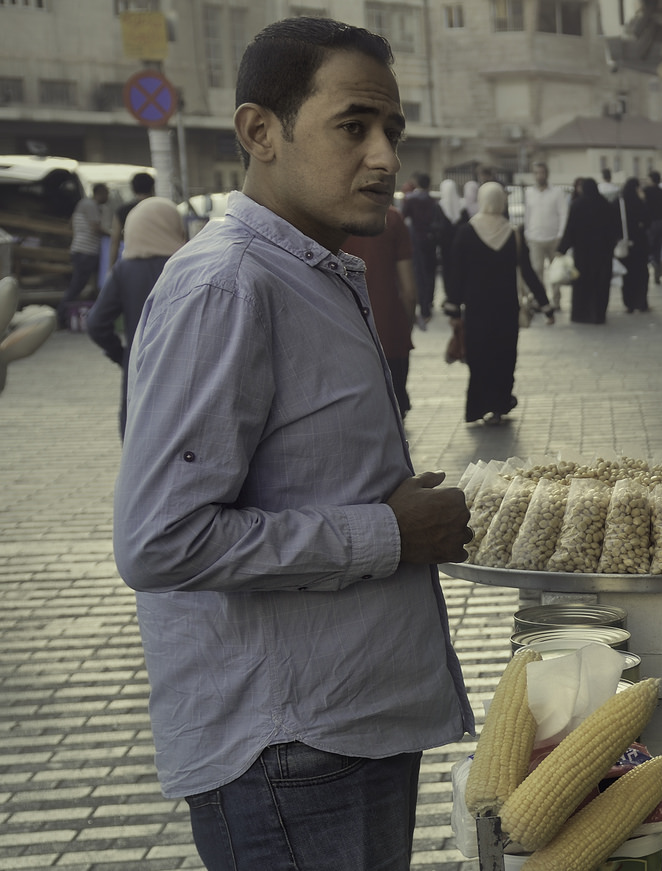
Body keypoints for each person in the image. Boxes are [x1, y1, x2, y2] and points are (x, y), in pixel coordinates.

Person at [110, 18, 473, 869]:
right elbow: (161, 538)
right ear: (258, 132)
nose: (384, 156)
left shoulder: (309, 269)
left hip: (340, 730)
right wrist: (388, 533)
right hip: (291, 754)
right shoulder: (228, 284)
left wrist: (389, 503)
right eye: (354, 127)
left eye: (393, 131)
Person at [443, 182, 552, 425]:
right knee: (504, 356)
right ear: (501, 201)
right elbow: (528, 272)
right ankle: (499, 405)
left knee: (480, 357)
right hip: (506, 308)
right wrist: (545, 305)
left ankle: (478, 407)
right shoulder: (512, 233)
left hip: (476, 309)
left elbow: (456, 275)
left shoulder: (466, 232)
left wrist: (453, 308)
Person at [86, 197, 186, 438]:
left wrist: (120, 355)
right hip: (185, 370)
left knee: (137, 437)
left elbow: (96, 323)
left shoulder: (124, 270)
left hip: (139, 366)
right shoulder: (189, 266)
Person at [341, 204, 417, 416]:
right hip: (390, 329)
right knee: (395, 409)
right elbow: (409, 291)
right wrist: (405, 327)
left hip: (346, 332)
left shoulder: (330, 219)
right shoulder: (391, 219)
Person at [562, 177, 620, 324]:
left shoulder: (577, 205)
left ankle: (581, 314)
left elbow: (570, 229)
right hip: (603, 254)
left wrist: (562, 248)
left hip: (582, 255)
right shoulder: (606, 205)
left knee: (582, 284)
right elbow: (614, 231)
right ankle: (599, 315)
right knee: (601, 285)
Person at [400, 172, 449, 328]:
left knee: (419, 273)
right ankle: (429, 301)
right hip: (431, 240)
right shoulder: (433, 201)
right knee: (430, 271)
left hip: (416, 240)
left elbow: (403, 217)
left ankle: (423, 306)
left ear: (417, 183)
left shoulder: (411, 200)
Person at [523, 161, 572, 311]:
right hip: (535, 238)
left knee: (555, 272)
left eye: (542, 173)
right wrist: (527, 232)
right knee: (537, 270)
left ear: (547, 174)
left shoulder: (556, 192)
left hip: (553, 239)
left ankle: (556, 301)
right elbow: (527, 214)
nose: (539, 176)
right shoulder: (529, 193)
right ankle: (540, 301)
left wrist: (560, 235)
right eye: (537, 173)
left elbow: (563, 213)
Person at [66, 182, 110, 308]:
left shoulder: (83, 204)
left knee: (81, 285)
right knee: (77, 286)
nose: (108, 198)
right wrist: (113, 234)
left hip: (80, 249)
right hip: (86, 251)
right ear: (99, 193)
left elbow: (70, 224)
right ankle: (63, 314)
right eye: (106, 194)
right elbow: (95, 228)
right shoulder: (90, 205)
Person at [619, 177, 653, 313]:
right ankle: (641, 302)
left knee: (627, 276)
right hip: (640, 245)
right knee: (641, 275)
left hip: (625, 245)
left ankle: (629, 304)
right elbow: (648, 221)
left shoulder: (619, 203)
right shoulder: (640, 203)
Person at [108, 171, 160, 257]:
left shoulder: (122, 210)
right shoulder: (161, 208)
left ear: (133, 189)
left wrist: (111, 267)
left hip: (134, 257)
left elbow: (115, 241)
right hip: (159, 257)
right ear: (153, 187)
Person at [643, 170, 662, 283]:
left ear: (651, 179)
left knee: (649, 247)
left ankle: (652, 263)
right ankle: (658, 274)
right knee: (659, 248)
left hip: (649, 223)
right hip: (661, 222)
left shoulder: (645, 191)